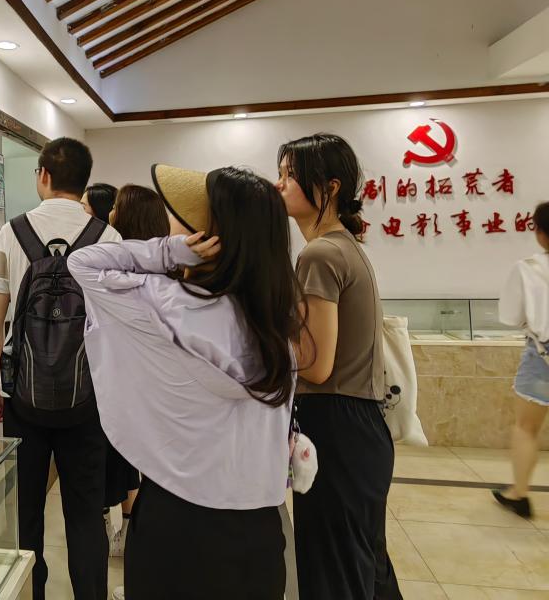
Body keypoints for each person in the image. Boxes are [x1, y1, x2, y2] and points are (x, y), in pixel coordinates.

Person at [69, 165, 299, 600]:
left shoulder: (166, 304)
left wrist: (169, 253)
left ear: (210, 239)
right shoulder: (275, 327)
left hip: (176, 521)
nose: (175, 225)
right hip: (259, 529)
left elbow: (82, 262)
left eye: (186, 219)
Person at [0, 138, 122, 600]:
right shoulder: (108, 237)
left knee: (26, 513)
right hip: (88, 400)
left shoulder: (11, 232)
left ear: (43, 175)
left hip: (24, 397)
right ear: (84, 181)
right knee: (84, 514)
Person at [276, 133, 402, 600]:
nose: (279, 184)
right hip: (358, 428)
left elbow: (315, 365)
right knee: (364, 567)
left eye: (291, 175)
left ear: (330, 187)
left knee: (333, 574)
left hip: (336, 428)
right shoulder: (344, 246)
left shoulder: (320, 253)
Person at [101, 185, 169, 560]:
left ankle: (125, 535)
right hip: (153, 387)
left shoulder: (118, 267)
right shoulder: (166, 267)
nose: (110, 212)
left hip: (124, 383)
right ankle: (131, 535)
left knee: (119, 461)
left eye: (116, 207)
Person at [494, 201, 549, 518]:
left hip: (542, 356)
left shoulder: (529, 268)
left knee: (527, 428)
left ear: (539, 232)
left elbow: (510, 315)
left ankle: (520, 493)